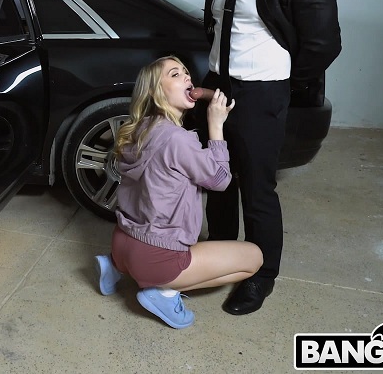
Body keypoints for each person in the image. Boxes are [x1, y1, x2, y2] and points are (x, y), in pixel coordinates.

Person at [201, 0, 342, 315]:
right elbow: (216, 28)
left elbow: (323, 44)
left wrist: (281, 86)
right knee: (218, 181)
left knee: (257, 189)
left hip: (261, 93)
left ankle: (261, 276)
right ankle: (222, 258)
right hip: (217, 89)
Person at [94, 56, 263, 329]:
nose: (187, 77)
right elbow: (220, 180)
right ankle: (162, 292)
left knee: (139, 254)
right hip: (156, 258)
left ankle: (114, 267)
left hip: (122, 242)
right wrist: (216, 124)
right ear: (155, 92)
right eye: (175, 74)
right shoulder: (176, 139)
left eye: (185, 72)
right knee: (254, 258)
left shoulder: (137, 128)